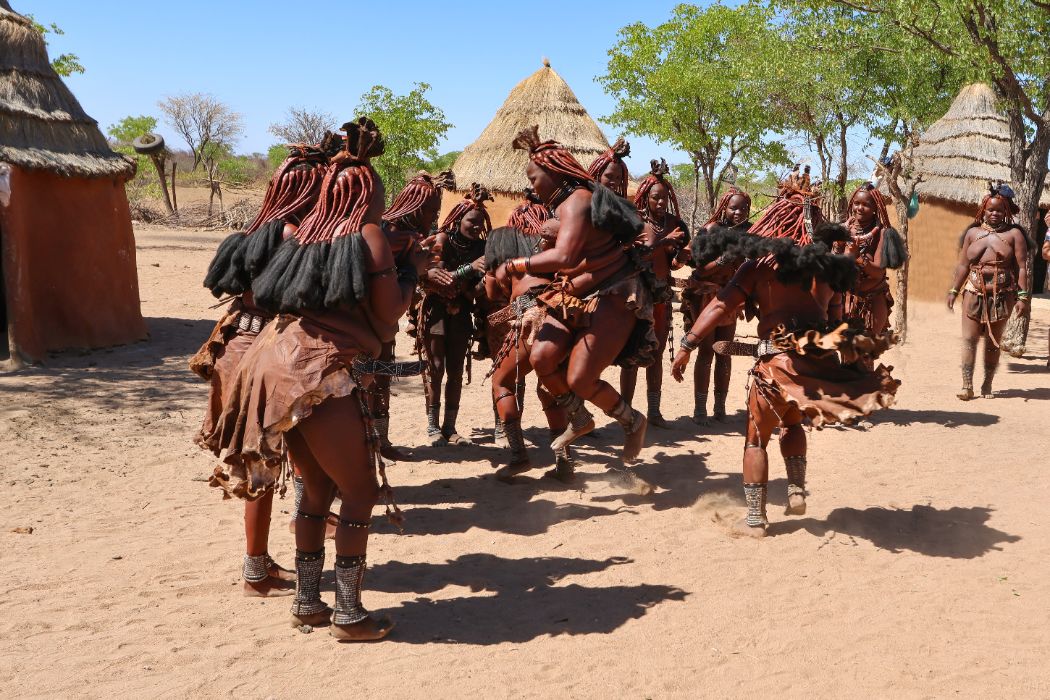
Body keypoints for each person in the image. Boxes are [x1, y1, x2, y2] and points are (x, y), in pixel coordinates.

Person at [208, 118, 427, 641]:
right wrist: (413, 270)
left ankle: (309, 603)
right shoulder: (365, 235)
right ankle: (348, 614)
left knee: (318, 488)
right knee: (359, 491)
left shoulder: (303, 235)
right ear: (368, 193)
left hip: (274, 365)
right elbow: (389, 310)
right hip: (314, 372)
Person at [670, 180, 899, 537]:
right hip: (811, 366)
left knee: (755, 438)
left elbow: (719, 304)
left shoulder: (758, 268)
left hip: (774, 366)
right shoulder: (828, 269)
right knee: (791, 424)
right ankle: (795, 489)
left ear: (772, 225)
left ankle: (756, 518)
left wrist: (687, 343)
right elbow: (836, 320)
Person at [191, 140, 330, 597]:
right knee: (263, 464)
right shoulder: (292, 236)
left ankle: (269, 553)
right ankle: (257, 571)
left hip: (237, 345)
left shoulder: (256, 230)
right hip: (260, 354)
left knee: (267, 459)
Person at [508, 125, 656, 475]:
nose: (531, 186)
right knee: (542, 355)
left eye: (534, 178)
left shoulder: (578, 202)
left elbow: (563, 257)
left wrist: (516, 263)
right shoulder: (566, 203)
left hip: (614, 294)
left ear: (553, 173)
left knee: (579, 379)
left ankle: (632, 420)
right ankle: (578, 415)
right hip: (574, 292)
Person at [484, 217, 595, 482]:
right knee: (548, 389)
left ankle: (518, 455)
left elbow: (491, 293)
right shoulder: (544, 261)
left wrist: (489, 271)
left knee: (502, 382)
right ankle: (564, 462)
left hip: (532, 316)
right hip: (562, 321)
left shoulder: (508, 266)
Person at [371, 170, 455, 459]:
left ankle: (380, 443)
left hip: (384, 323)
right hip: (369, 322)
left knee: (381, 380)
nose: (433, 217)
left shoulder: (407, 237)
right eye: (431, 210)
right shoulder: (390, 235)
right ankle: (370, 445)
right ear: (416, 207)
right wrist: (419, 270)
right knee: (368, 382)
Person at [416, 184, 491, 445]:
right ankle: (432, 427)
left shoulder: (482, 247)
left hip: (461, 314)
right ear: (459, 219)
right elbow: (439, 281)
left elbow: (476, 290)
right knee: (436, 368)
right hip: (436, 311)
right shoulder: (442, 240)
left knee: (456, 371)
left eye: (480, 222)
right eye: (472, 221)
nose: (476, 226)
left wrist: (478, 284)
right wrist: (469, 270)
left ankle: (450, 427)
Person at [619, 160, 689, 428]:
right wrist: (664, 242)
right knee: (632, 353)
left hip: (661, 296)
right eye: (655, 198)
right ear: (645, 197)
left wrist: (679, 258)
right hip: (636, 297)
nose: (660, 203)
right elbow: (634, 254)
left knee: (656, 353)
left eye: (664, 199)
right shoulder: (634, 222)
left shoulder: (674, 222)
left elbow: (678, 258)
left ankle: (655, 412)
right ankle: (625, 412)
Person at [948, 182, 1030, 399]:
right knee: (969, 339)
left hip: (1002, 294)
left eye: (999, 210)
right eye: (990, 209)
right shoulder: (972, 233)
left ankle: (987, 384)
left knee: (993, 342)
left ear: (1006, 211)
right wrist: (953, 290)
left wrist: (1023, 297)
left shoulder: (1014, 235)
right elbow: (963, 265)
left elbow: (1021, 267)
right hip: (973, 291)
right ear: (983, 210)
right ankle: (967, 385)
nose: (994, 213)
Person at [679, 187, 751, 424]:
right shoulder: (711, 231)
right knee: (706, 351)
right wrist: (722, 260)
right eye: (734, 208)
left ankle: (719, 407)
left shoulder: (748, 234)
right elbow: (698, 271)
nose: (738, 212)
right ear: (724, 208)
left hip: (730, 300)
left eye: (743, 208)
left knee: (725, 352)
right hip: (707, 297)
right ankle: (700, 409)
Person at [835, 183, 905, 339]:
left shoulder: (882, 234)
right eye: (857, 203)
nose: (859, 208)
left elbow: (878, 272)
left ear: (875, 208)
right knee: (845, 353)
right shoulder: (841, 230)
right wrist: (836, 248)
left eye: (866, 204)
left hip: (871, 302)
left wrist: (857, 257)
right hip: (843, 300)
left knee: (865, 355)